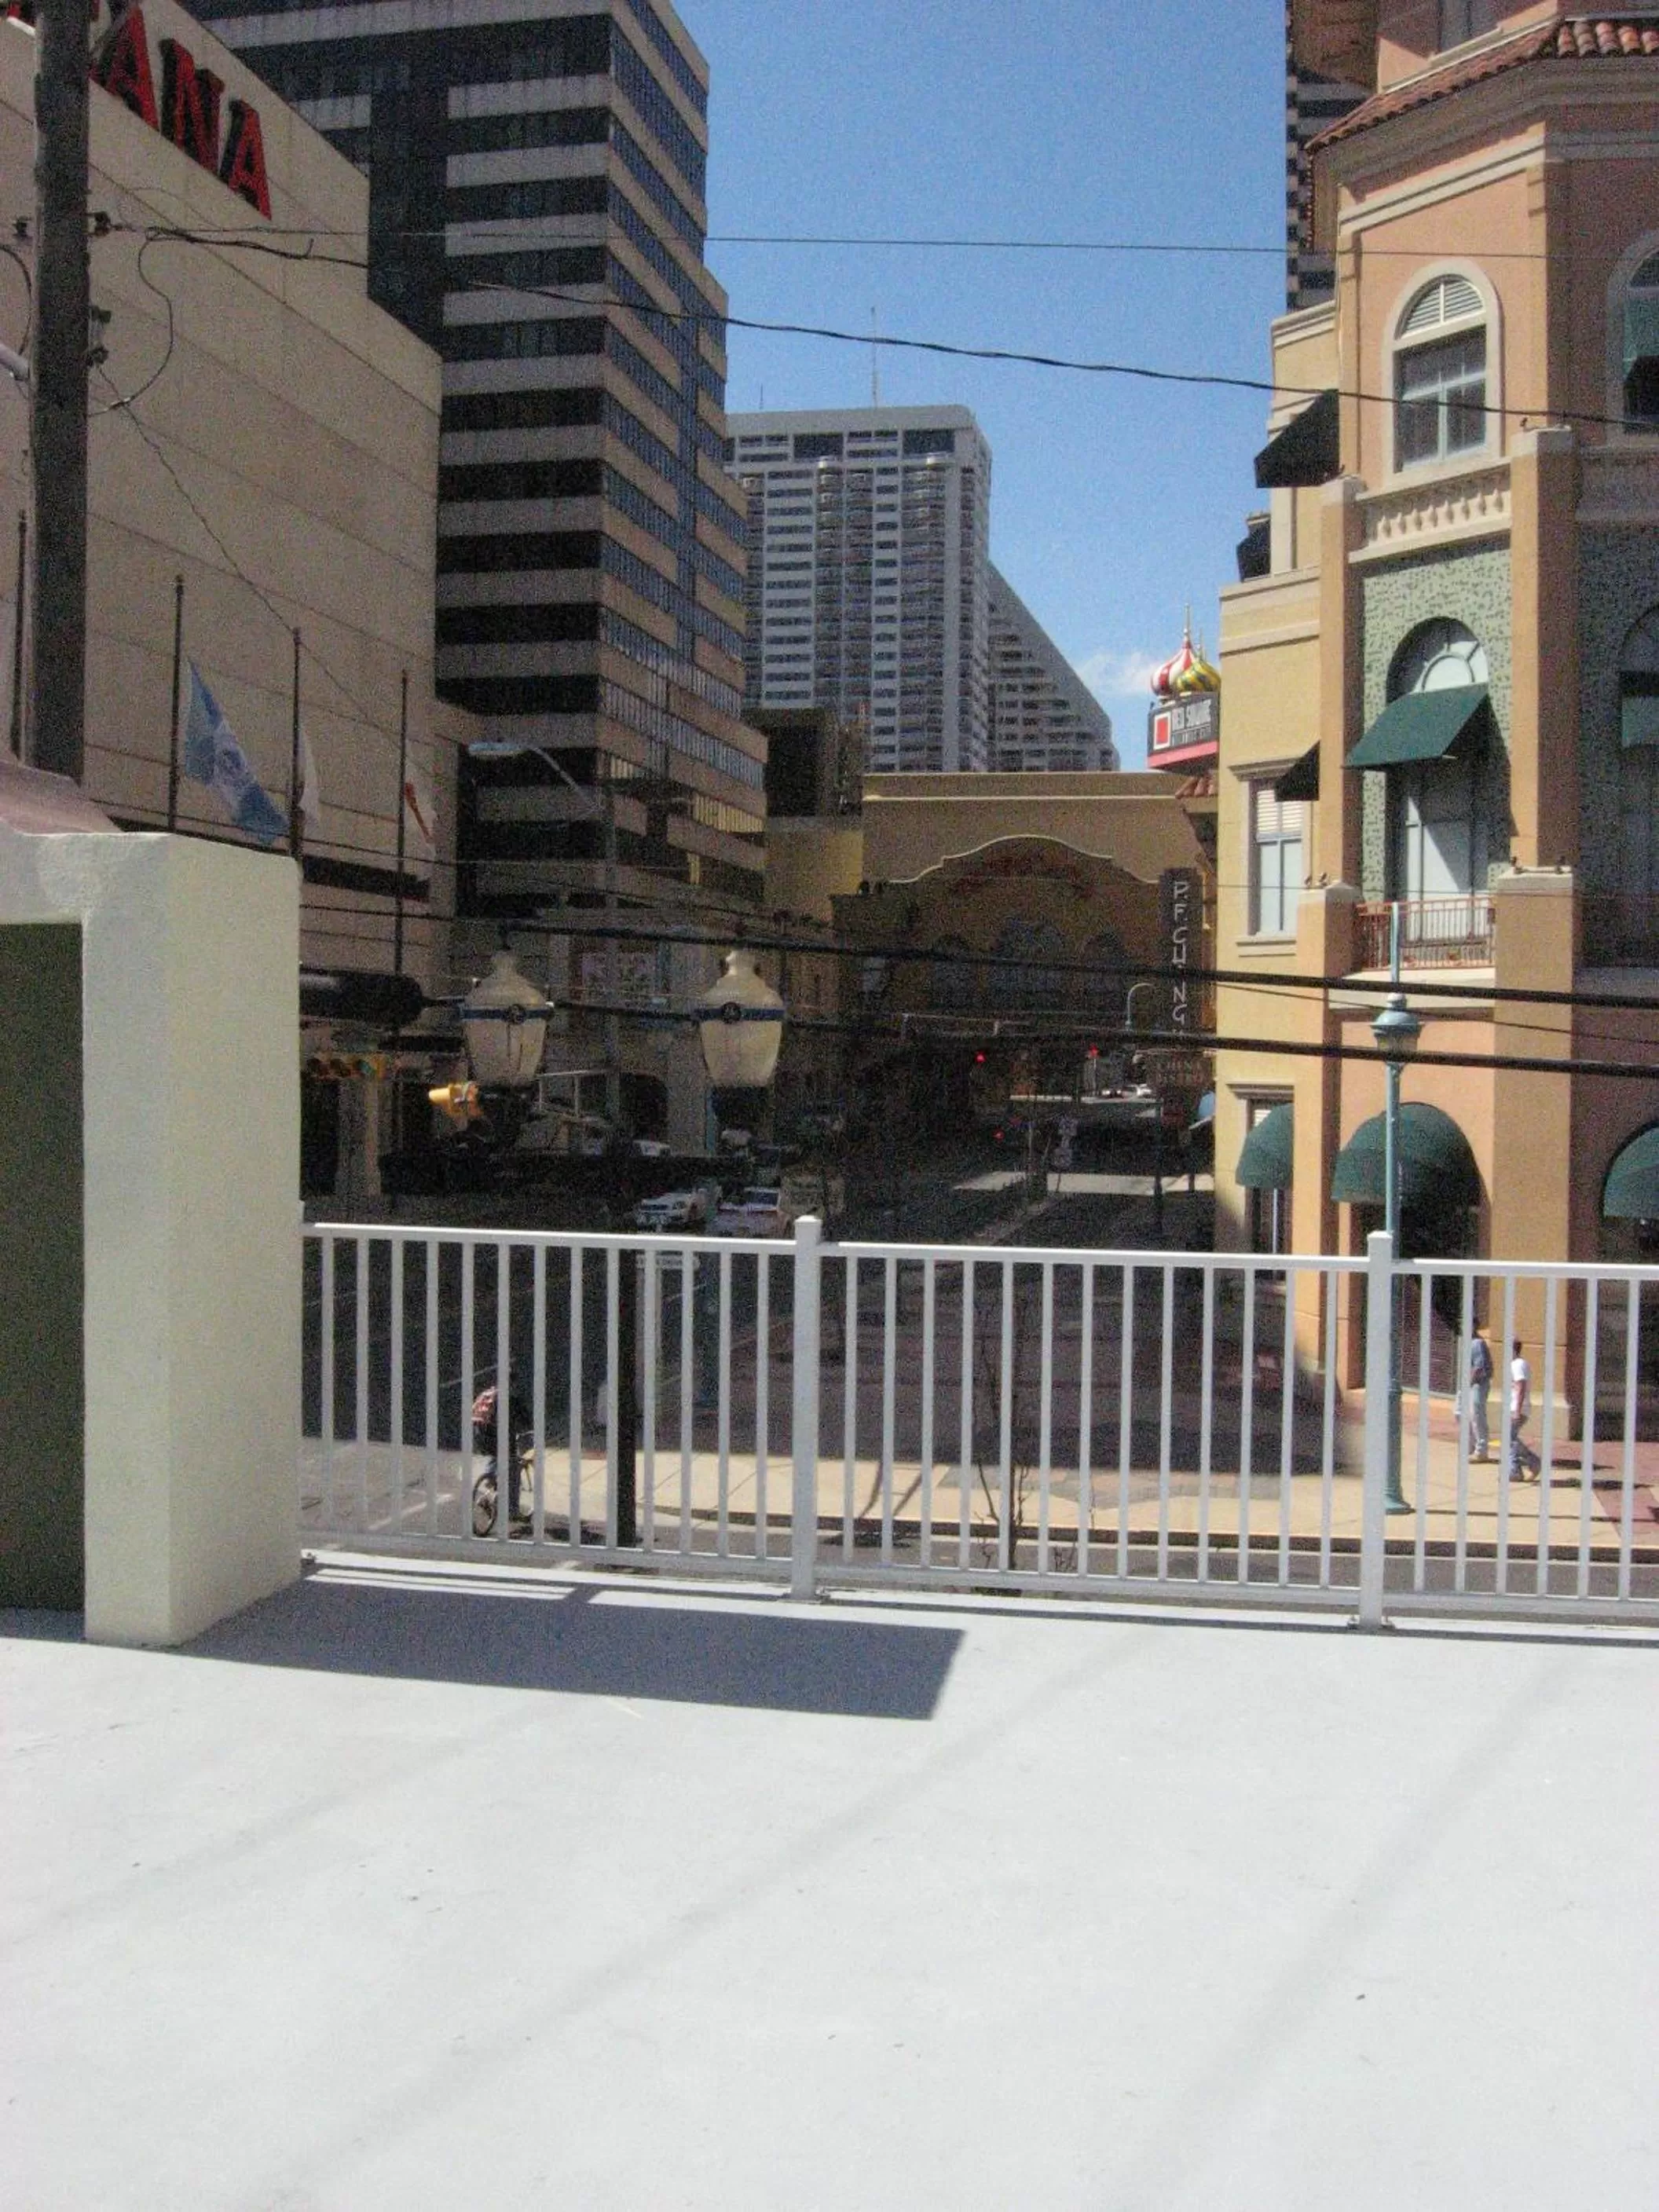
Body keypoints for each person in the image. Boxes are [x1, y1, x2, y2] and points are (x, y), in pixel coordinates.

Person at [1508, 1339, 1540, 1480]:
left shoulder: (1517, 1365)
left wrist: (1517, 1411)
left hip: (1519, 1408)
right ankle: (1532, 1463)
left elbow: (1521, 1386)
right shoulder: (1519, 1364)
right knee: (1511, 1438)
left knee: (1510, 1439)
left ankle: (1516, 1470)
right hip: (1517, 1407)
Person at [1465, 1328, 1492, 1461]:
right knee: (1462, 1413)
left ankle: (1481, 1451)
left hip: (1478, 1385)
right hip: (1470, 1385)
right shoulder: (1468, 1342)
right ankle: (1471, 1444)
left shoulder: (1477, 1343)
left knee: (1477, 1416)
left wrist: (1469, 1383)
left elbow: (1479, 1367)